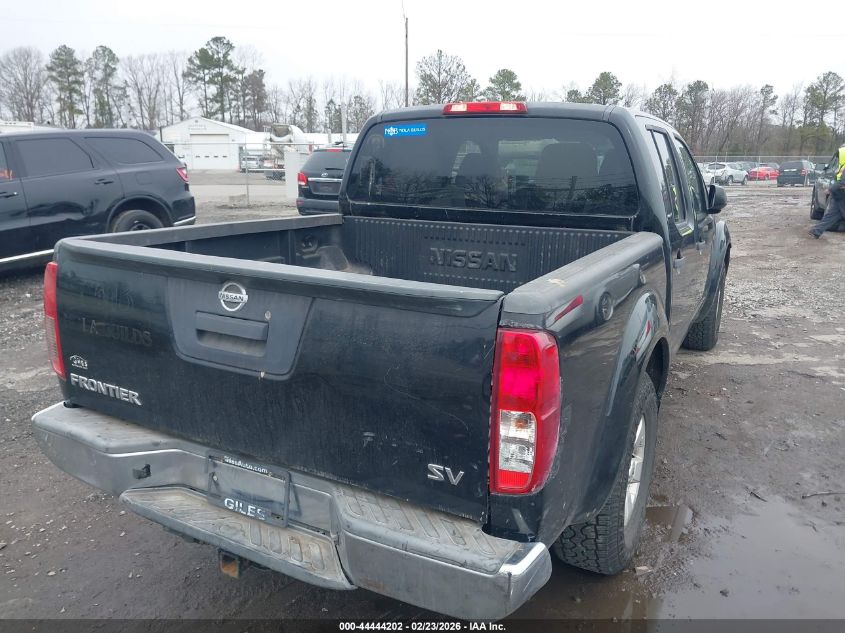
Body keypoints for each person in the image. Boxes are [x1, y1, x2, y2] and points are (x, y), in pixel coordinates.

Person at [809, 145, 845, 239]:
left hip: (839, 193)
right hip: (840, 193)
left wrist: (830, 189)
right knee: (831, 215)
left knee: (831, 215)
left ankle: (816, 231)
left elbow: (842, 181)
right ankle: (816, 231)